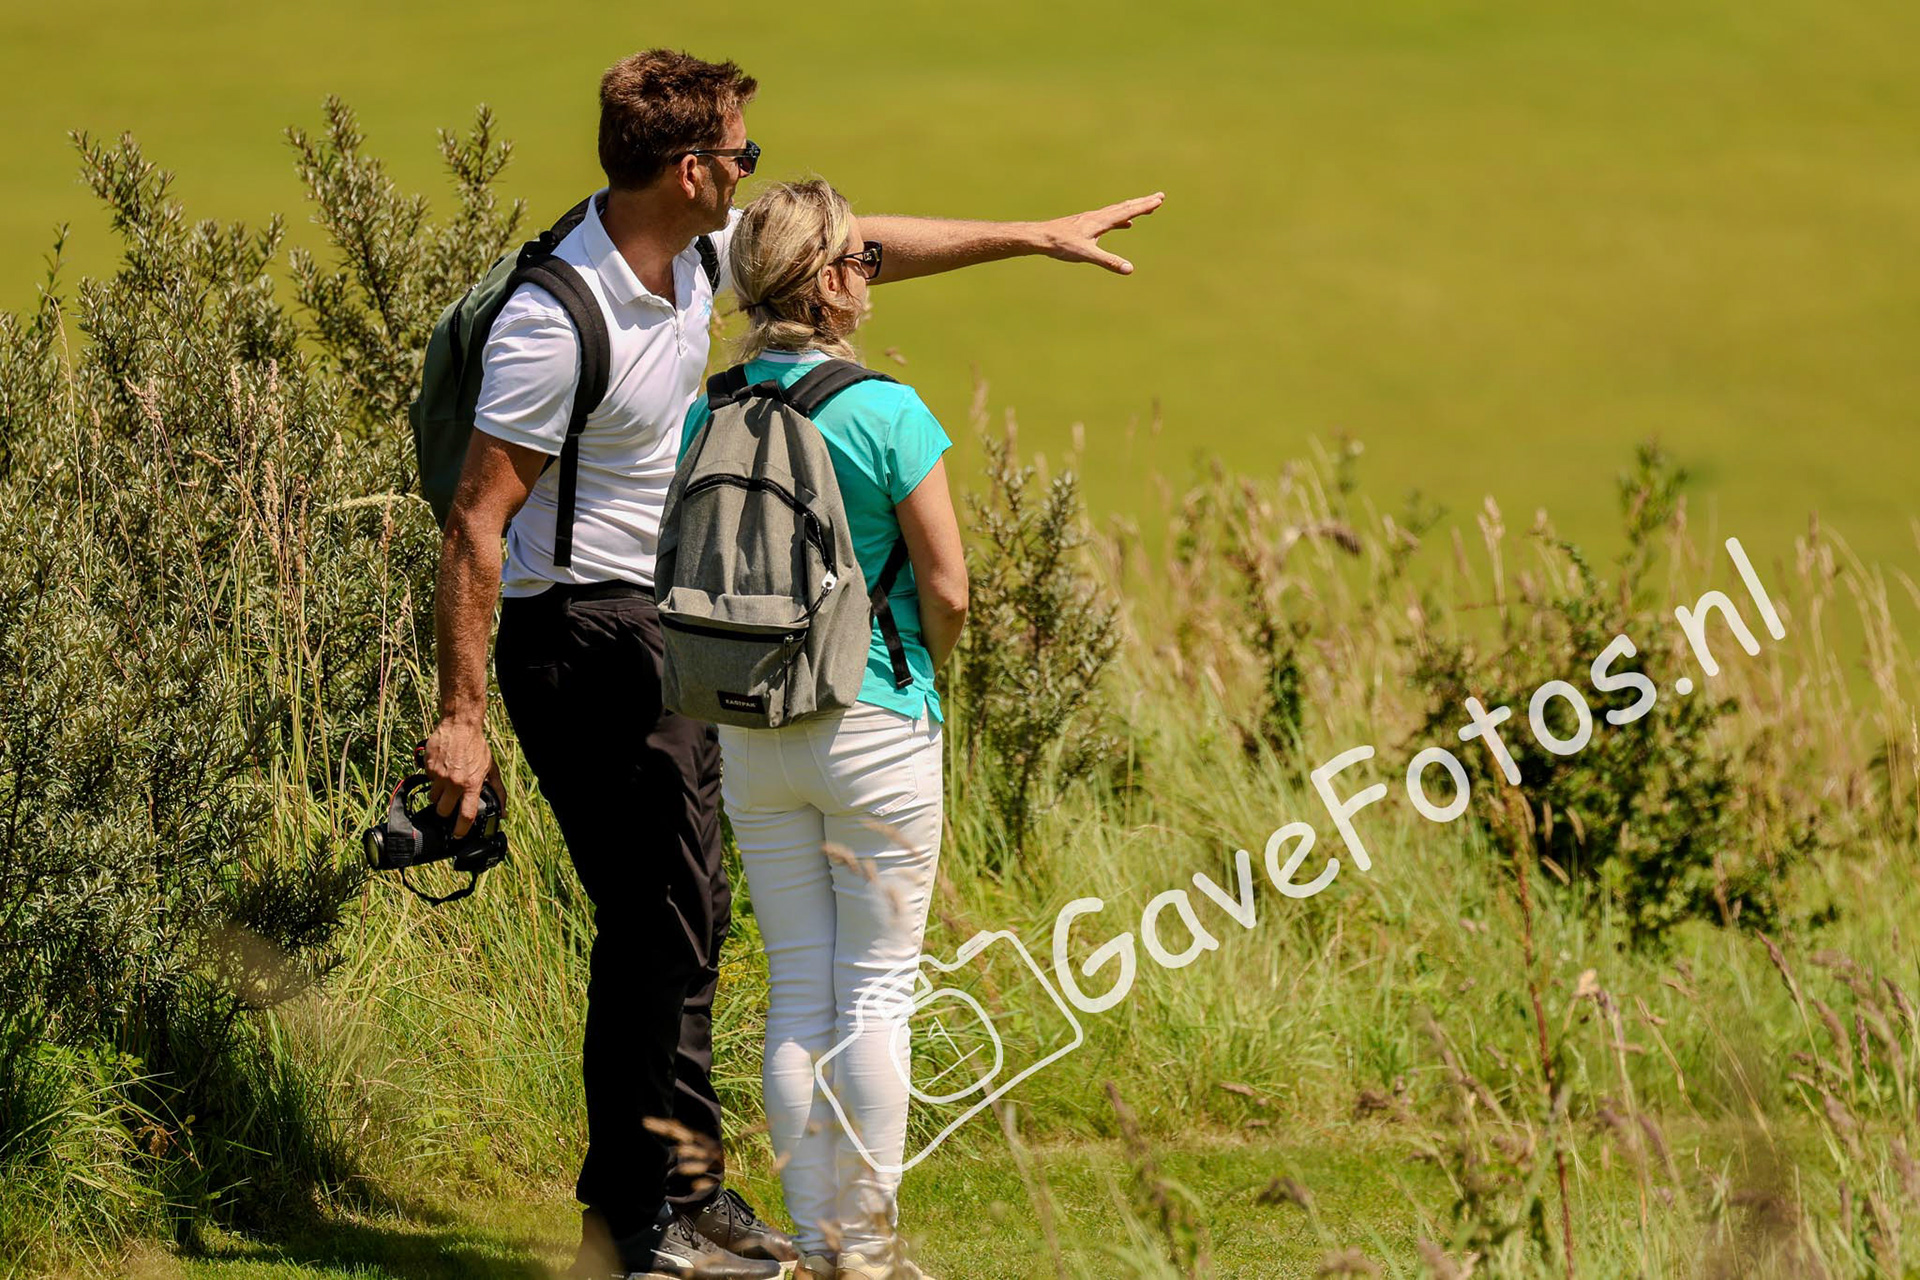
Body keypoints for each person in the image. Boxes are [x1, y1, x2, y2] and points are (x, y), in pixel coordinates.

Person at [423, 47, 1161, 1280]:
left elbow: (860, 245)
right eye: (743, 154)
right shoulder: (563, 316)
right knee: (658, 922)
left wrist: (1030, 235)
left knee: (692, 912)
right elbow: (474, 523)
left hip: (670, 627)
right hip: (582, 636)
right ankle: (633, 1219)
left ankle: (692, 1194)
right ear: (694, 168)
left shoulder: (695, 255)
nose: (753, 172)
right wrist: (461, 717)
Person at [677, 179, 964, 1280]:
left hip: (750, 719)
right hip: (878, 712)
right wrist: (936, 667)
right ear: (835, 283)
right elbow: (949, 581)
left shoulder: (716, 405)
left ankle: (810, 1244)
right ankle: (869, 1253)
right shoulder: (888, 410)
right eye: (865, 259)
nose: (872, 273)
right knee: (879, 986)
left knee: (799, 977)